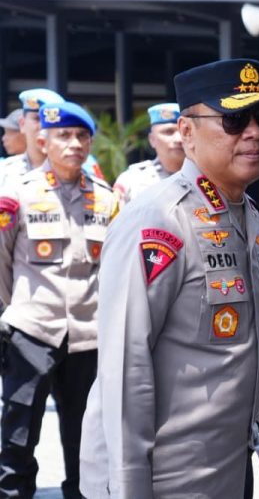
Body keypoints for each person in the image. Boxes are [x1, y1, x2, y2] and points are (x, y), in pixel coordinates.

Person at [79, 58, 259, 498]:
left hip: (230, 467)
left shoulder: (250, 217)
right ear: (187, 132)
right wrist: (129, 489)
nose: (254, 132)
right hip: (168, 480)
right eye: (234, 119)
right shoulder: (159, 220)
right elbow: (124, 370)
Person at [0, 102, 116, 498]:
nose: (74, 144)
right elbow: (1, 263)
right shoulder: (18, 193)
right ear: (42, 142)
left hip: (88, 337)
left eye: (82, 136)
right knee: (17, 436)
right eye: (63, 136)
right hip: (31, 334)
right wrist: (15, 311)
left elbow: (113, 270)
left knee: (86, 441)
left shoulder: (107, 199)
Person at [112, 102, 185, 207]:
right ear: (152, 139)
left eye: (184, 132)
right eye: (169, 132)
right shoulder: (132, 180)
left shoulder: (206, 176)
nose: (178, 139)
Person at [0, 88, 64, 185]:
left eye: (50, 120)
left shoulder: (75, 171)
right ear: (22, 124)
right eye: (37, 119)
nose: (43, 126)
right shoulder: (4, 172)